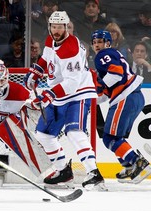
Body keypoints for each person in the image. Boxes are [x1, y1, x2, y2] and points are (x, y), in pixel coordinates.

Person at [24, 11, 105, 190]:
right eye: (54, 26)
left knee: (73, 131)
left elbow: (71, 83)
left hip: (78, 93)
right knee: (43, 134)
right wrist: (36, 71)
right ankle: (64, 171)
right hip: (61, 94)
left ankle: (94, 174)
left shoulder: (71, 49)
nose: (57, 30)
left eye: (60, 27)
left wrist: (48, 94)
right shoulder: (50, 39)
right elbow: (46, 58)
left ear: (66, 27)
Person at [91, 29, 151, 183]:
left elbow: (116, 73)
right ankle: (129, 166)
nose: (97, 45)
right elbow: (104, 94)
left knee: (110, 137)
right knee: (114, 137)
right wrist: (92, 97)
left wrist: (99, 86)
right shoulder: (112, 55)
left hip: (125, 97)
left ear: (108, 43)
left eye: (100, 41)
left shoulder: (103, 55)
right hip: (134, 97)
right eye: (95, 42)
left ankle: (138, 162)